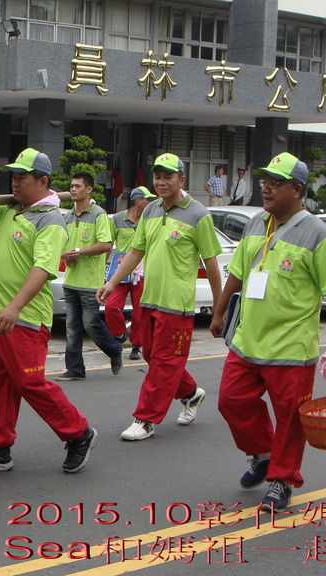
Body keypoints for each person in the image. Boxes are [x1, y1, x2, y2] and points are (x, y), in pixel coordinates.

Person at [0, 148, 98, 473]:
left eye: (22, 177)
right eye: (13, 176)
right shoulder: (11, 209)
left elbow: (43, 268)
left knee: (30, 383)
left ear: (43, 181)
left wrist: (14, 306)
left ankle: (78, 432)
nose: (15, 183)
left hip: (22, 318)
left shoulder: (50, 219)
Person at [209, 152, 326, 513]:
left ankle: (282, 480)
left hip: (291, 347)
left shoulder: (318, 235)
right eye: (264, 181)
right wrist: (220, 310)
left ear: (297, 190)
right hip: (246, 340)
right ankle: (263, 455)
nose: (266, 188)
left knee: (290, 418)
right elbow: (238, 272)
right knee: (231, 401)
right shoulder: (258, 222)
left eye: (275, 183)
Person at [97, 154, 222, 442]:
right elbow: (136, 252)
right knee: (153, 355)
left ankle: (146, 418)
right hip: (148, 299)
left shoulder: (198, 214)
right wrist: (111, 283)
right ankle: (191, 393)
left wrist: (219, 307)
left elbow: (211, 263)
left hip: (176, 305)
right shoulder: (151, 211)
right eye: (157, 177)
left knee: (166, 361)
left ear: (182, 179)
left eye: (168, 176)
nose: (162, 182)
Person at [57, 171, 123, 381]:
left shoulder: (98, 214)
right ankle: (75, 369)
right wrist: (65, 255)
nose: (73, 189)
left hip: (90, 282)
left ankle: (114, 349)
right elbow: (62, 246)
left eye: (77, 186)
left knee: (90, 324)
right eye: (71, 186)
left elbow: (106, 244)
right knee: (72, 327)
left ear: (89, 189)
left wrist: (79, 252)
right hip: (71, 280)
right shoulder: (67, 216)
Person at [104, 186, 154, 361]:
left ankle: (136, 345)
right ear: (139, 201)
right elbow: (108, 245)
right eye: (147, 200)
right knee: (110, 306)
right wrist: (103, 269)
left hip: (142, 272)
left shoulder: (149, 220)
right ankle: (119, 334)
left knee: (140, 311)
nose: (150, 203)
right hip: (121, 271)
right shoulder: (118, 219)